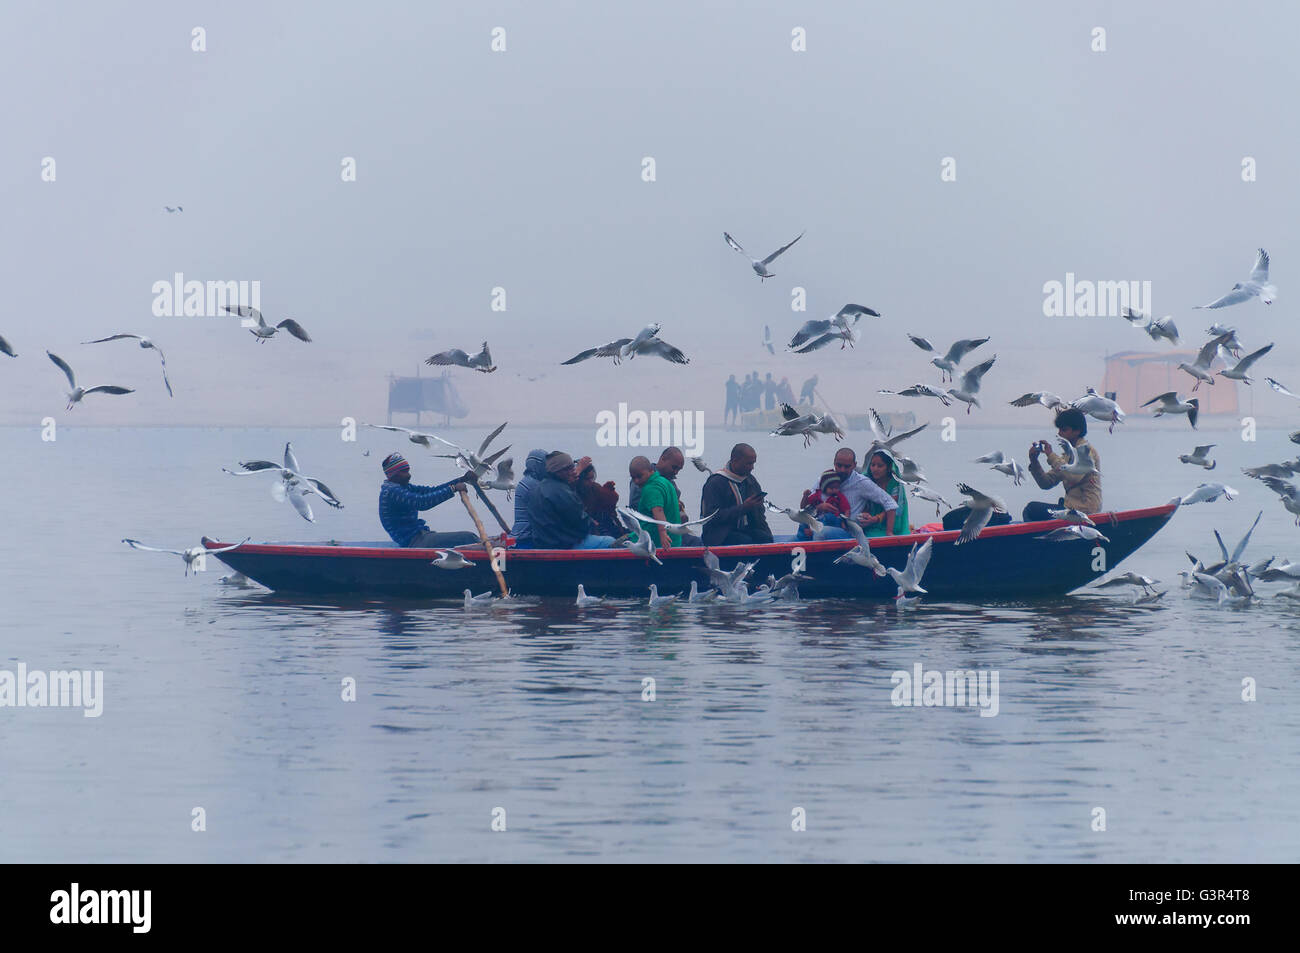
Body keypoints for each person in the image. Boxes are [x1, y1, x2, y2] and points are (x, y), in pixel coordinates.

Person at [378, 453, 480, 548]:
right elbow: (422, 503)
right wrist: (453, 488)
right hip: (414, 542)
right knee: (468, 538)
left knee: (469, 538)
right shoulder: (392, 491)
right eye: (404, 472)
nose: (409, 475)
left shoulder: (403, 487)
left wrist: (462, 479)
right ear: (393, 475)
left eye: (408, 470)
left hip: (421, 536)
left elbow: (431, 491)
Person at [1024, 407, 1102, 522]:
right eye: (1059, 429)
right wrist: (1034, 461)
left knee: (1032, 509)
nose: (1060, 433)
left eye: (1064, 430)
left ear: (1077, 431)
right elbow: (1046, 483)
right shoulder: (1068, 454)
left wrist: (1051, 455)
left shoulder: (1086, 451)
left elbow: (1073, 476)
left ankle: (1035, 539)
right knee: (1031, 509)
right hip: (1070, 509)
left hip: (1084, 511)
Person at [526, 451, 616, 549]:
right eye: (568, 469)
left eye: (572, 467)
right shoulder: (561, 491)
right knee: (610, 541)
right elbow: (580, 522)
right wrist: (592, 524)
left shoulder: (536, 489)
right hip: (563, 546)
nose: (573, 471)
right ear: (557, 471)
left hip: (543, 545)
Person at [699, 443, 773, 546]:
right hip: (719, 534)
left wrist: (768, 534)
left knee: (766, 538)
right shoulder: (715, 483)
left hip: (745, 529)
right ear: (735, 461)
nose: (752, 468)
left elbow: (760, 515)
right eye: (748, 464)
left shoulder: (750, 481)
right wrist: (743, 508)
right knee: (744, 541)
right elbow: (710, 517)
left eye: (753, 463)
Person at [629, 447, 702, 544]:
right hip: (654, 534)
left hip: (670, 532)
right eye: (674, 467)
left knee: (698, 542)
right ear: (662, 459)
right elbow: (641, 512)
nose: (676, 472)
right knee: (696, 543)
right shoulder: (643, 481)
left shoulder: (667, 482)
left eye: (679, 469)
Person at [832, 447, 898, 533]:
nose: (842, 470)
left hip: (848, 530)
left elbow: (891, 503)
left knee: (822, 532)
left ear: (854, 465)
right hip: (827, 522)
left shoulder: (862, 482)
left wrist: (888, 532)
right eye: (839, 465)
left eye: (846, 466)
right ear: (834, 463)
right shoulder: (826, 478)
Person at [861, 450, 910, 537]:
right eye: (873, 465)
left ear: (889, 467)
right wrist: (865, 516)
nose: (875, 469)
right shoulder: (866, 480)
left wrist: (876, 519)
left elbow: (891, 506)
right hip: (869, 523)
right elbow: (863, 502)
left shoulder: (894, 483)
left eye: (880, 466)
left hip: (890, 524)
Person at [797, 469, 850, 539]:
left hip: (833, 520)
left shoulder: (838, 496)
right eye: (831, 488)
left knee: (827, 517)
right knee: (804, 521)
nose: (834, 490)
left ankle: (813, 532)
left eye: (836, 488)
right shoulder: (816, 496)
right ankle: (802, 537)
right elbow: (804, 508)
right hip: (817, 519)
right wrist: (805, 497)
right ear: (823, 486)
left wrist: (845, 521)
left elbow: (846, 509)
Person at [577, 461, 623, 539]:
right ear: (580, 479)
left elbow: (609, 512)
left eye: (592, 478)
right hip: (585, 531)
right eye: (587, 479)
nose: (591, 482)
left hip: (602, 525)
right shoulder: (574, 493)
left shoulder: (596, 488)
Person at [511, 449, 548, 545]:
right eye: (546, 464)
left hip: (522, 534)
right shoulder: (532, 484)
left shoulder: (528, 481)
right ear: (538, 465)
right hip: (525, 536)